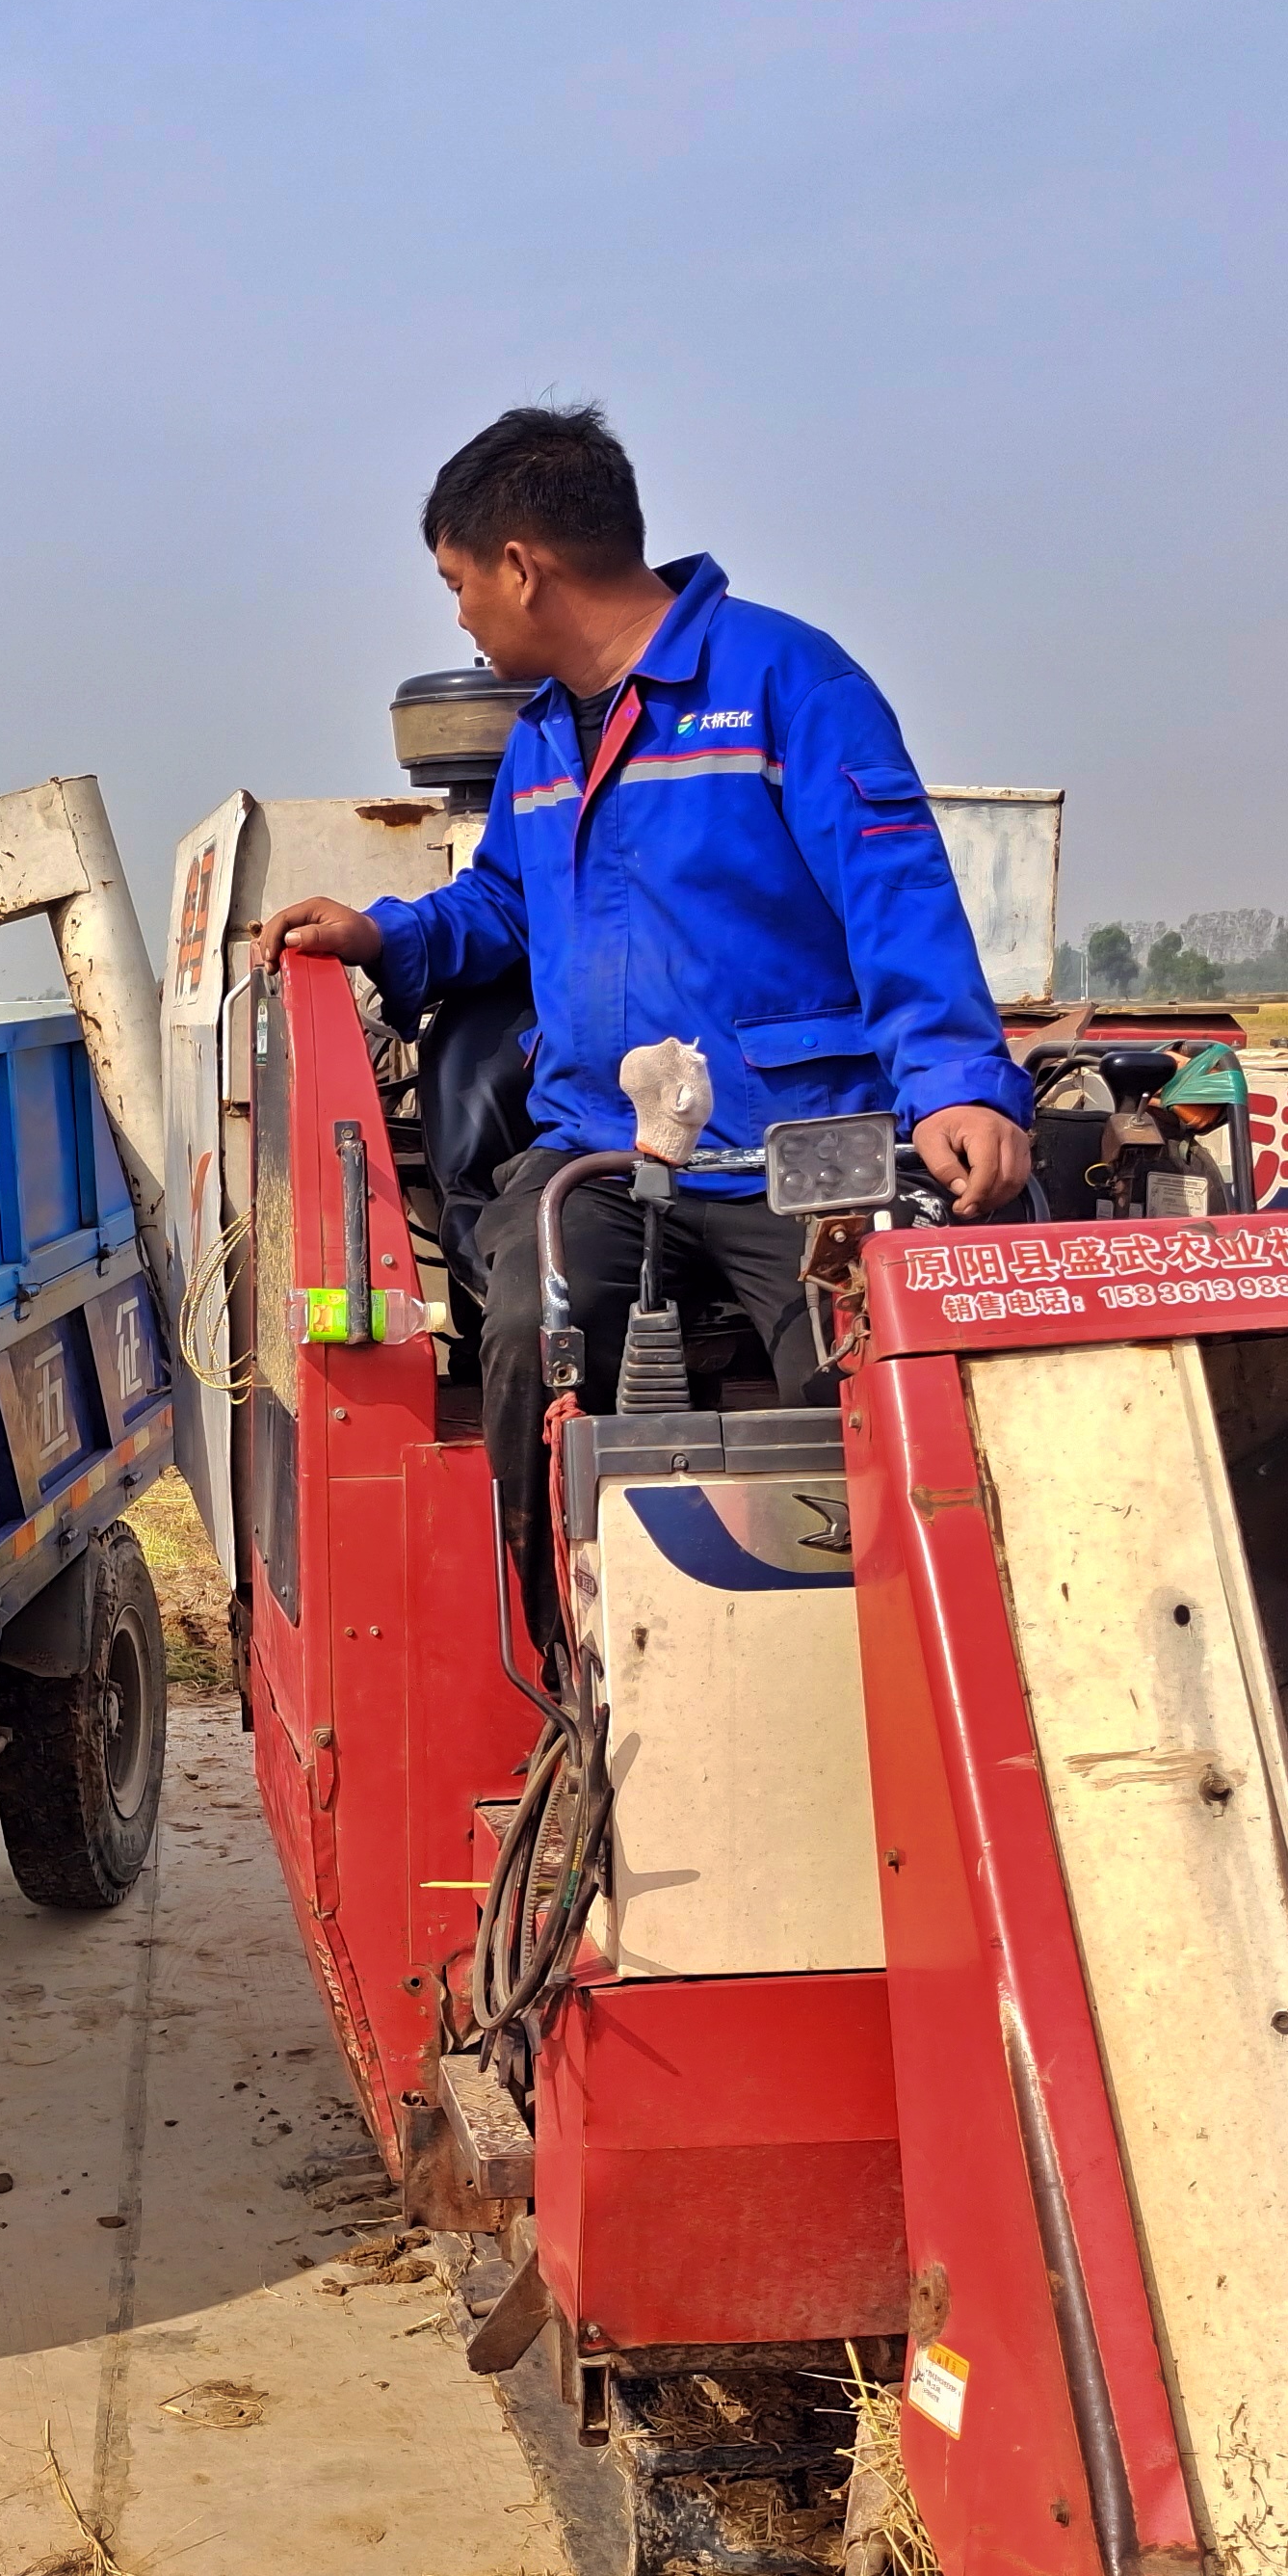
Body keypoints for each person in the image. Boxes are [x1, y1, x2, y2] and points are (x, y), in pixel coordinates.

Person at [259, 405, 1031, 1648]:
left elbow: (895, 893)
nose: (459, 618)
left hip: (798, 1152)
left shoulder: (787, 683)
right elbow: (505, 905)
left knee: (863, 1381)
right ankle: (562, 1668)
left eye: (458, 584)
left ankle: (883, 1666)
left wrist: (956, 1081)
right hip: (602, 1156)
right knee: (529, 1328)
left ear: (522, 566)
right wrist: (385, 936)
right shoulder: (540, 735)